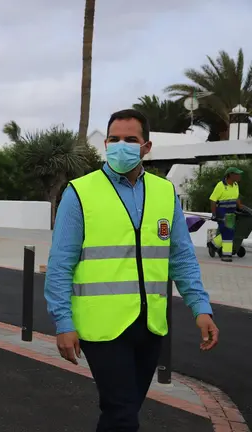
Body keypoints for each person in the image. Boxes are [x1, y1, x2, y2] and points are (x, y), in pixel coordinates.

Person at [44, 109, 219, 432]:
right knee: (122, 412)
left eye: (130, 140)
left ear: (146, 147)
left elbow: (180, 256)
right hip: (102, 327)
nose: (119, 145)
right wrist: (63, 322)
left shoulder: (164, 192)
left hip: (150, 325)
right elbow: (60, 265)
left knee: (123, 412)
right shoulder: (80, 192)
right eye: (114, 139)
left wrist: (201, 308)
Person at [208, 167, 243, 262]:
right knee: (228, 231)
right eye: (237, 174)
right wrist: (214, 214)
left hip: (231, 211)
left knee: (227, 231)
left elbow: (237, 197)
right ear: (230, 175)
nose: (239, 176)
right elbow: (213, 200)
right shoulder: (221, 185)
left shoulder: (235, 185)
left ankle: (213, 244)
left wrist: (240, 207)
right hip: (222, 210)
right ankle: (226, 255)